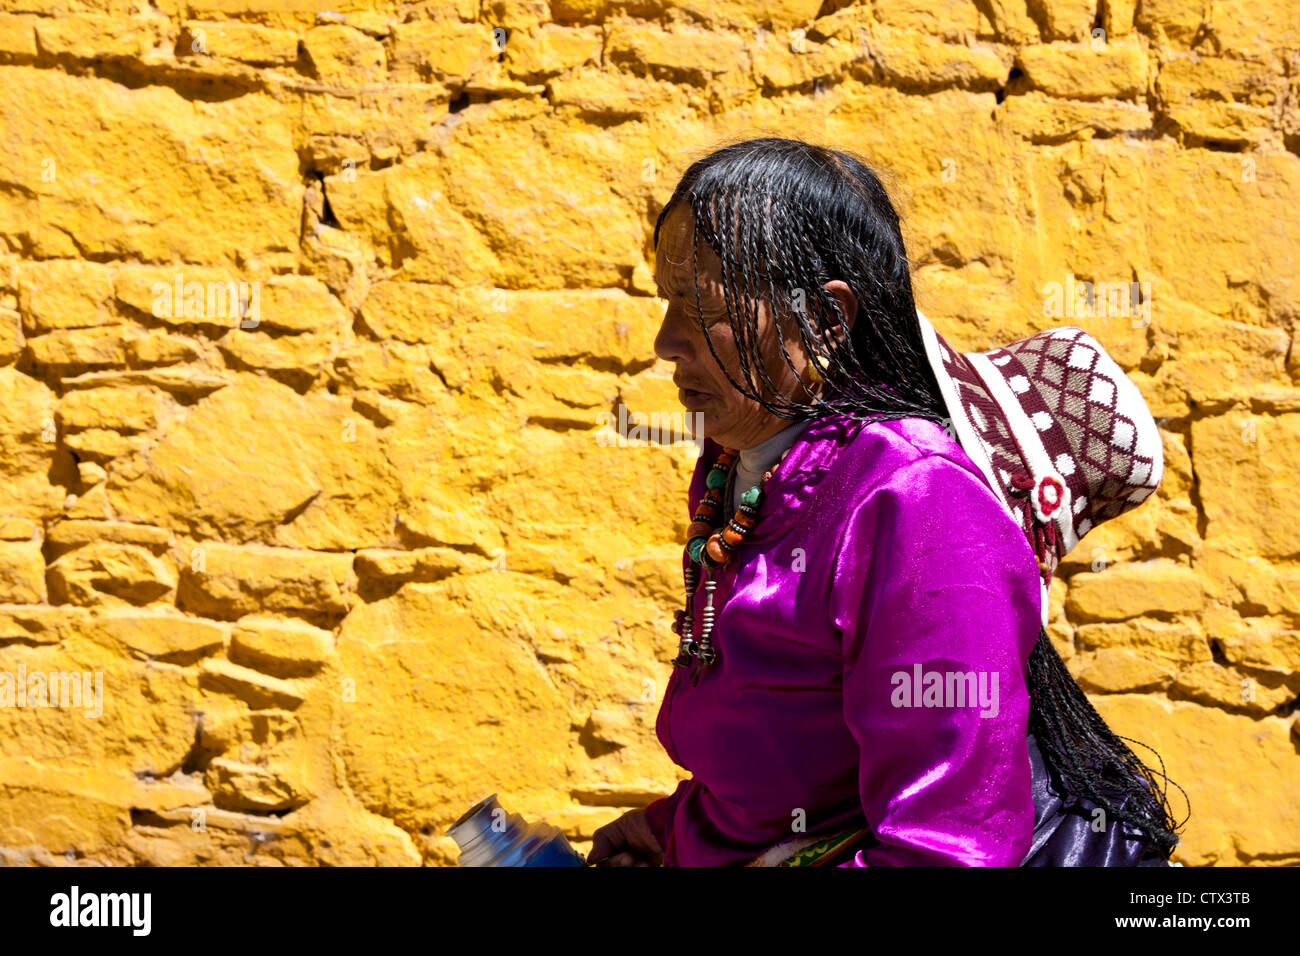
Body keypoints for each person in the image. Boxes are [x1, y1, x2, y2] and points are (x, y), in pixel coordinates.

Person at [587, 137, 1185, 867]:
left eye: (698, 306)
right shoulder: (743, 477)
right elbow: (804, 769)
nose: (663, 342)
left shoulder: (914, 503)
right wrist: (681, 832)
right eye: (666, 303)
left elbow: (944, 850)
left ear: (826, 321)